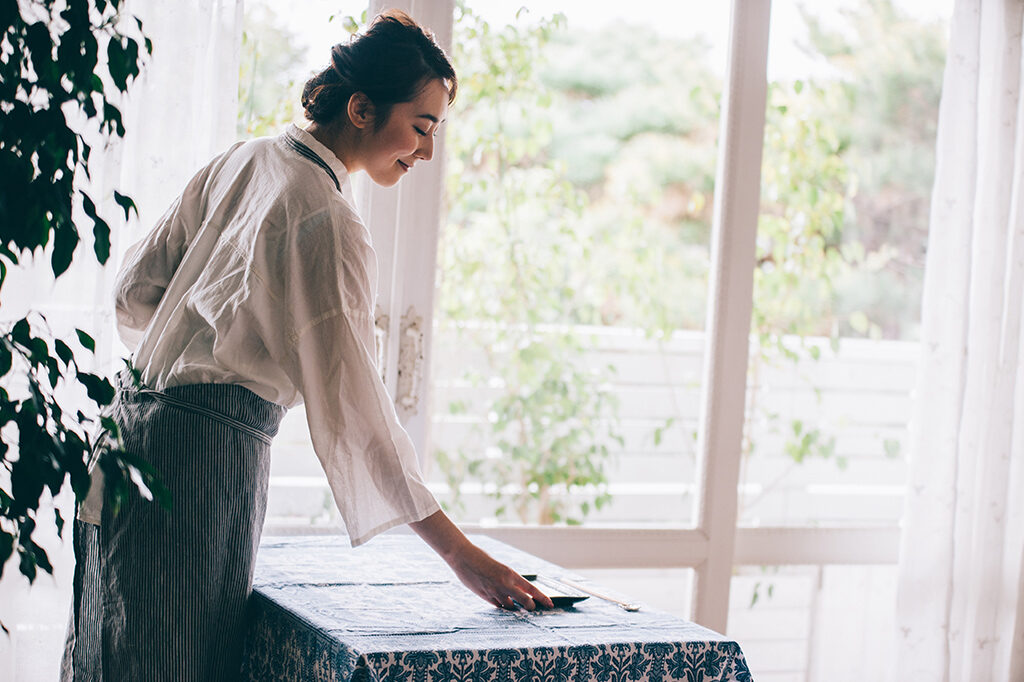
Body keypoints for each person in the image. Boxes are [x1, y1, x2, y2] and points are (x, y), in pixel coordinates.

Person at [61, 10, 552, 681]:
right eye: (422, 127)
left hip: (126, 437)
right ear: (361, 108)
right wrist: (463, 555)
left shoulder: (245, 158)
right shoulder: (325, 218)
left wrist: (208, 338)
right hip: (200, 462)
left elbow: (136, 292)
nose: (428, 152)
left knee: (111, 650)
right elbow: (358, 421)